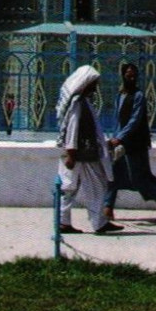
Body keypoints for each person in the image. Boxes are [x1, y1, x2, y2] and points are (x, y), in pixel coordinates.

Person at [56, 65, 122, 235]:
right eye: (94, 83)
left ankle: (97, 222)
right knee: (75, 188)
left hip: (85, 153)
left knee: (82, 188)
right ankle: (69, 223)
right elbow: (73, 128)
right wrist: (71, 153)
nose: (96, 87)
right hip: (80, 155)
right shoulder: (78, 104)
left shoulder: (84, 102)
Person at [106, 62, 156, 224]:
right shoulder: (120, 95)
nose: (132, 78)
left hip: (135, 144)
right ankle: (107, 209)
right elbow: (118, 120)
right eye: (128, 75)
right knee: (113, 176)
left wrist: (120, 137)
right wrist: (114, 138)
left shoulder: (138, 96)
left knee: (140, 178)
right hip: (121, 144)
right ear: (123, 75)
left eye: (134, 75)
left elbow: (134, 120)